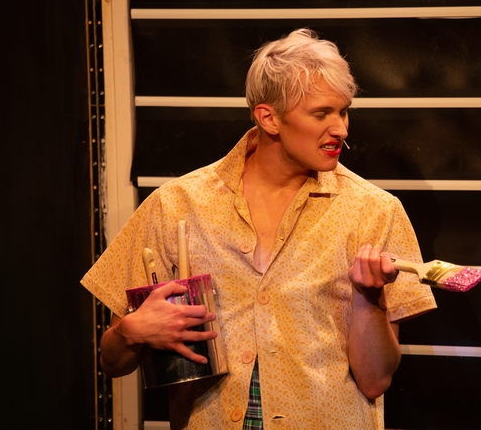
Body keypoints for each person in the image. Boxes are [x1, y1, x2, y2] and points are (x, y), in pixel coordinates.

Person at [81, 28, 436, 429]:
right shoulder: (177, 205)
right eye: (321, 114)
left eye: (343, 111)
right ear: (268, 117)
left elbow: (375, 381)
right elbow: (112, 362)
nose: (341, 129)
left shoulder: (374, 211)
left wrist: (370, 299)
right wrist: (130, 333)